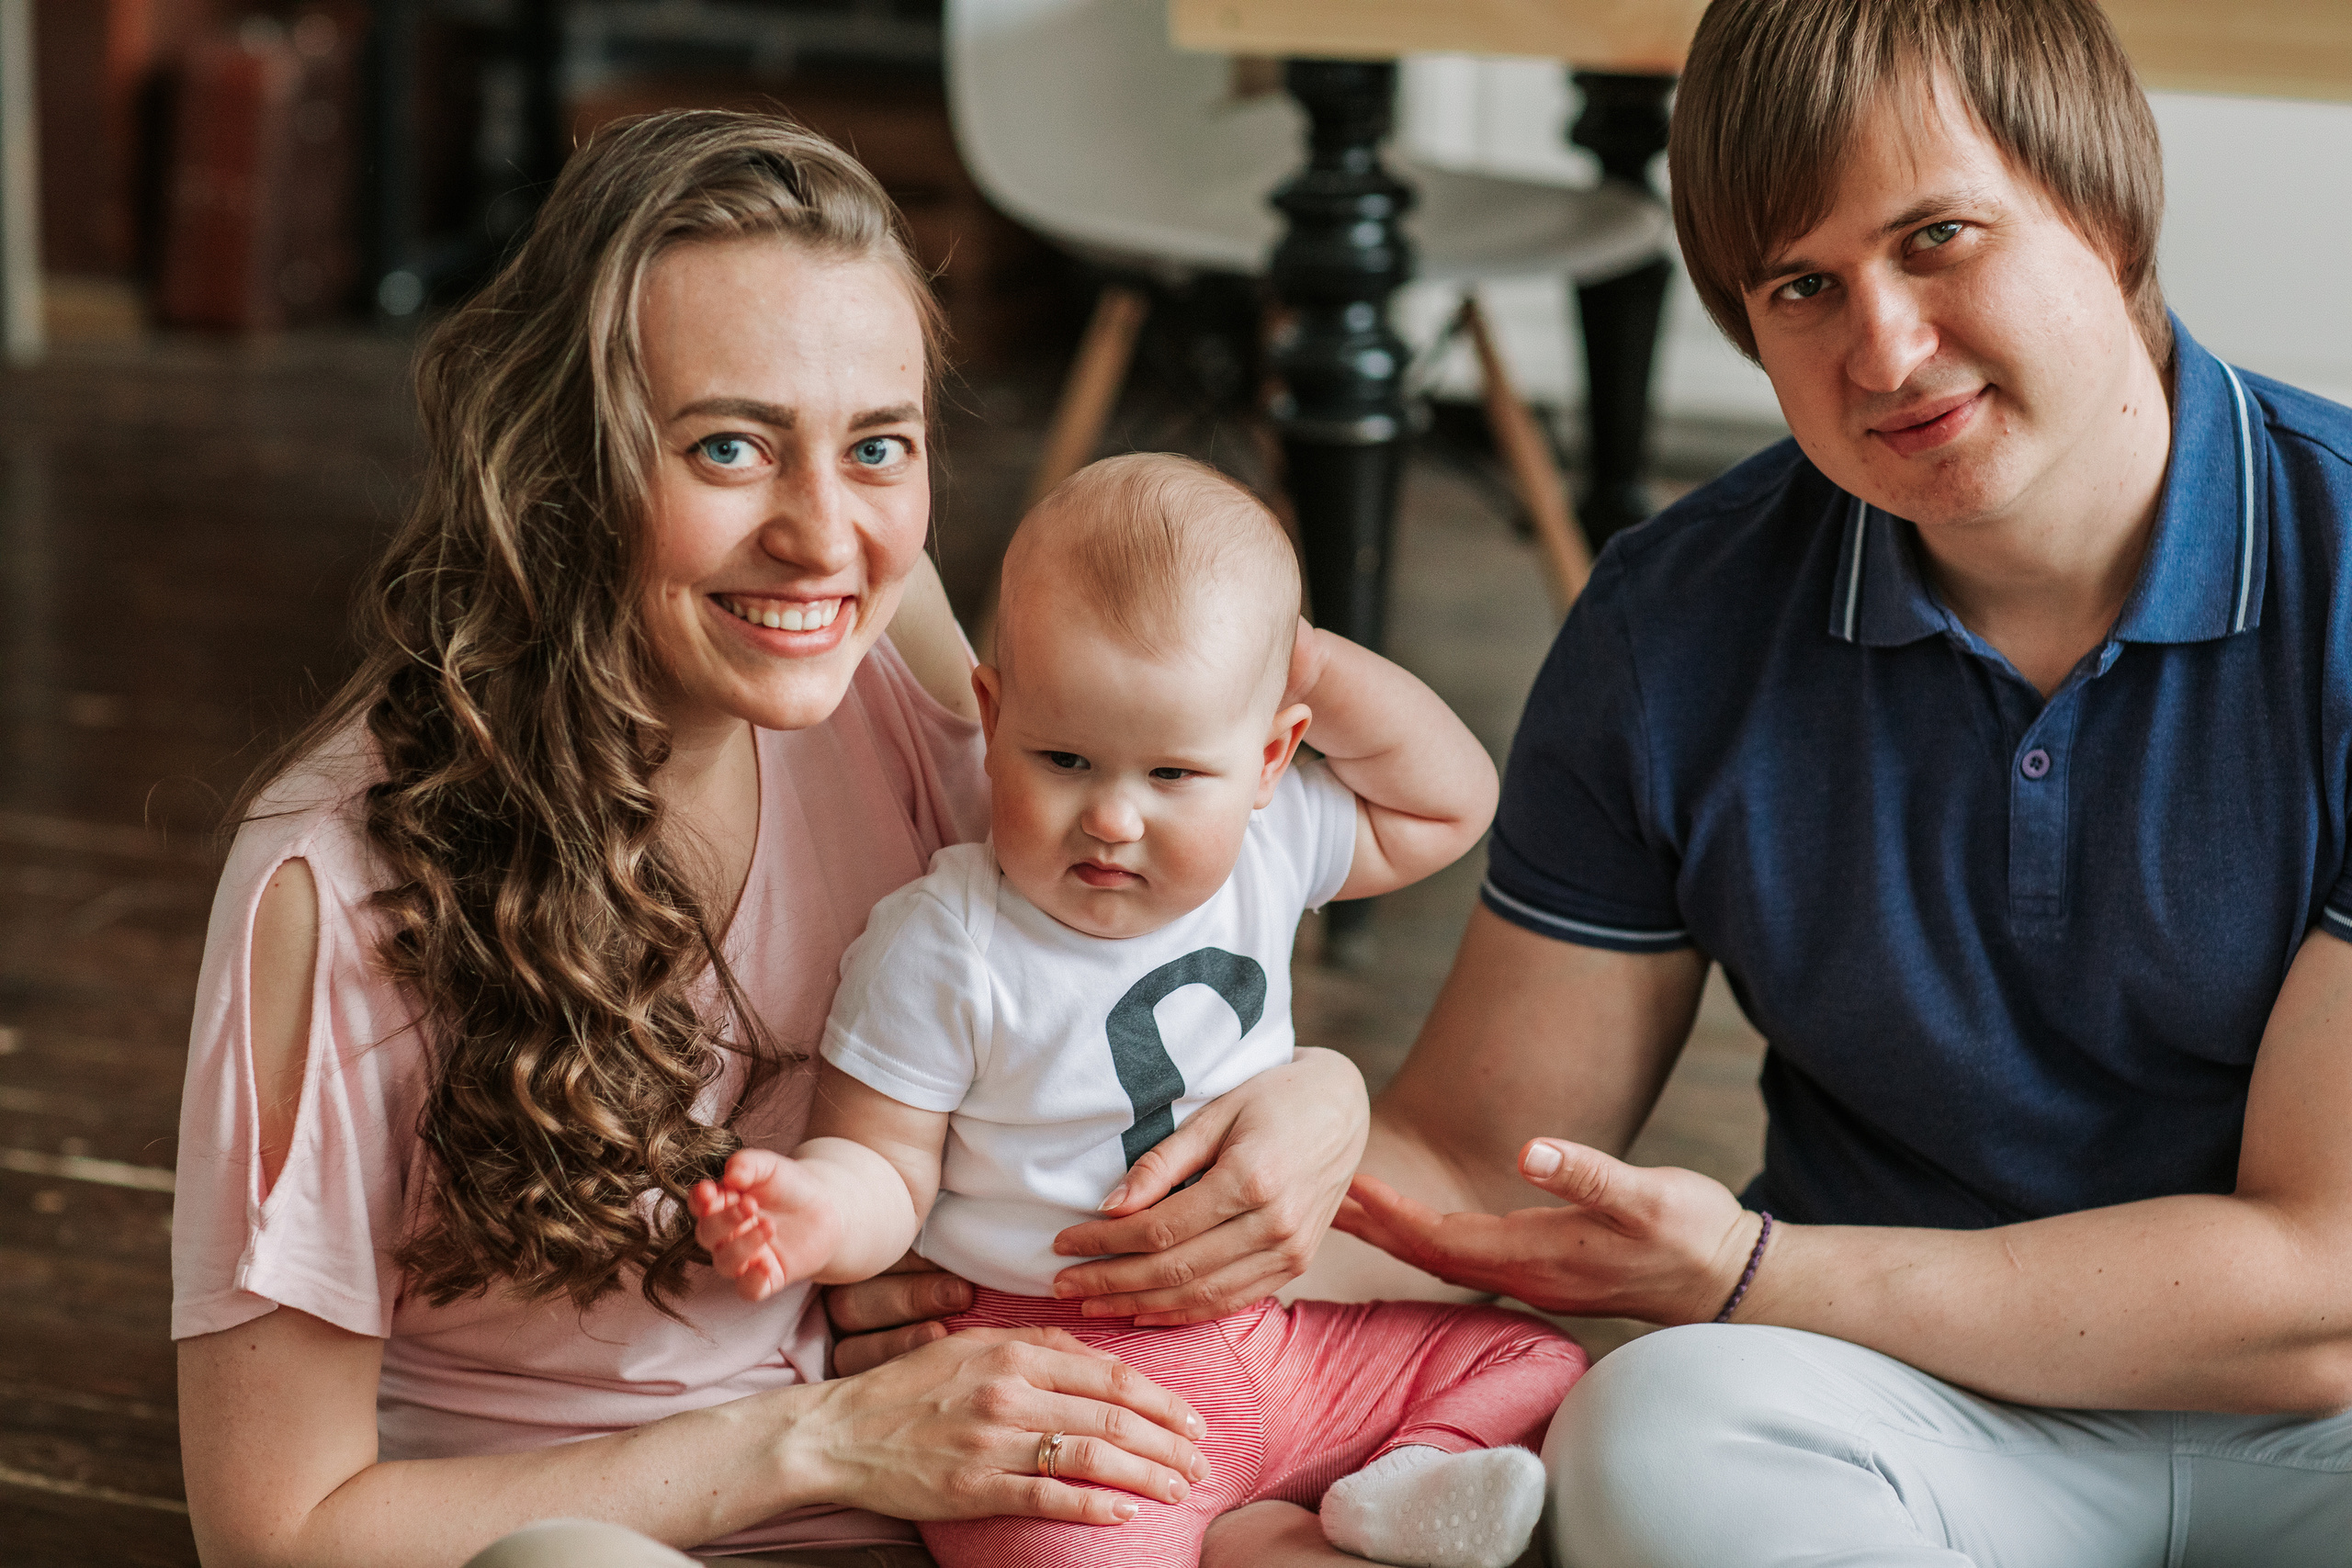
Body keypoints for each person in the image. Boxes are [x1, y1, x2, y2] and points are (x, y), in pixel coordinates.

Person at [170, 112, 1367, 1568]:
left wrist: (1320, 1093)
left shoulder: (887, 655)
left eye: (877, 446)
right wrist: (810, 1441)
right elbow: (275, 1528)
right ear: (560, 461)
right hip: (598, 1528)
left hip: (970, 1510)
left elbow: (1142, 903)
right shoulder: (339, 880)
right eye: (729, 446)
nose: (825, 537)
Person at [1314, 1, 2352, 1563]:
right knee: (1649, 1434)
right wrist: (1144, 1215)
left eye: (1936, 237)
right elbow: (1475, 1157)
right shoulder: (1677, 621)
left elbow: (2316, 1290)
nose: (1883, 348)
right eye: (1802, 285)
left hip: (2323, 1420)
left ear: (2109, 208)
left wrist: (1750, 1273)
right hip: (1897, 1402)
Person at [691, 453, 1586, 1568]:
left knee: (1538, 1366)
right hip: (1055, 1380)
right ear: (993, 711)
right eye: (1063, 758)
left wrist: (1285, 651)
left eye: (1171, 773)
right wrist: (813, 1211)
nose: (1113, 817)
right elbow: (884, 1163)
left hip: (1270, 1336)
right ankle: (1249, 1534)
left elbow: (1455, 801)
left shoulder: (1266, 839)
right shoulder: (946, 941)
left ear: (1270, 757)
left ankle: (1389, 1483)